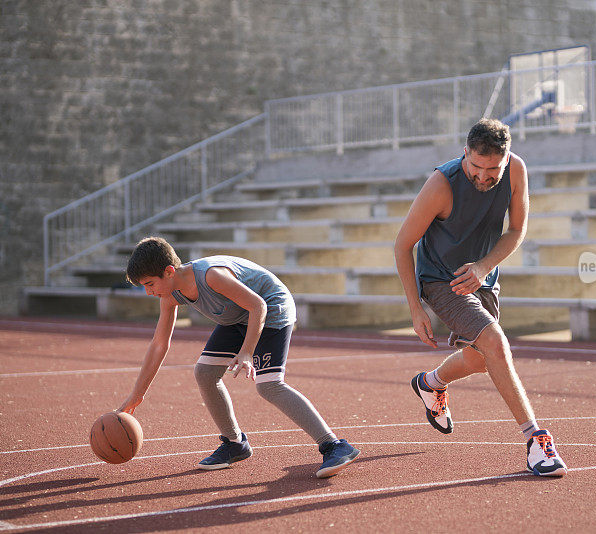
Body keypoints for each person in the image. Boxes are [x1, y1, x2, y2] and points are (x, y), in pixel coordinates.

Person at [394, 118, 567, 476]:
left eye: (493, 170)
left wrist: (484, 267)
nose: (484, 176)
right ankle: (536, 440)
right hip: (442, 280)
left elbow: (517, 229)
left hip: (481, 278)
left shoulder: (516, 170)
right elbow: (402, 245)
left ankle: (430, 383)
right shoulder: (442, 185)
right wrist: (415, 308)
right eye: (476, 166)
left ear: (505, 160)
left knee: (479, 359)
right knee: (495, 342)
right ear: (465, 154)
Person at [118, 236, 360, 478]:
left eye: (150, 284)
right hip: (238, 316)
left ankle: (335, 445)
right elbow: (160, 344)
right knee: (205, 373)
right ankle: (235, 444)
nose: (148, 292)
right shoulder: (170, 295)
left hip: (271, 307)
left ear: (169, 272)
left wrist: (246, 351)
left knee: (269, 385)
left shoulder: (211, 276)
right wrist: (137, 395)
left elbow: (258, 306)